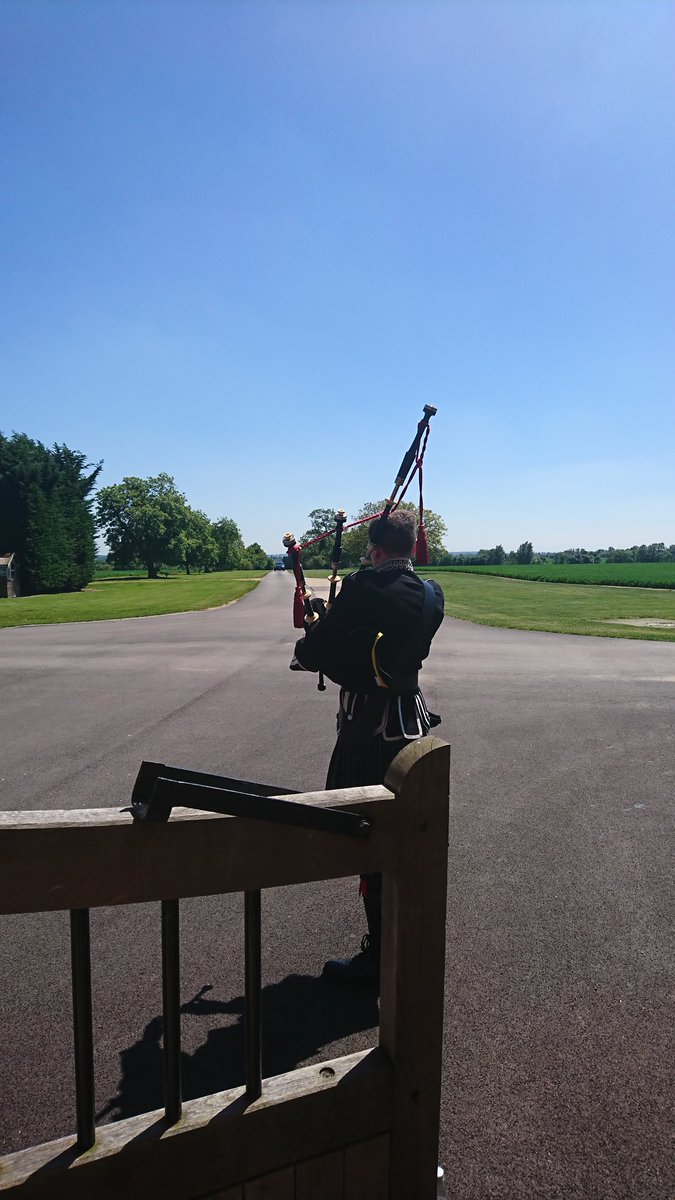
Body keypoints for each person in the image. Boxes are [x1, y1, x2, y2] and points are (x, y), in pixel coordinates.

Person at [292, 509, 445, 984]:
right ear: (411, 547)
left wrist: (317, 623)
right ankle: (399, 945)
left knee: (368, 836)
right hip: (411, 725)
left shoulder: (361, 588)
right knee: (405, 836)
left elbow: (313, 654)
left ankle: (378, 959)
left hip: (367, 730)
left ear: (376, 551)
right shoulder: (432, 594)